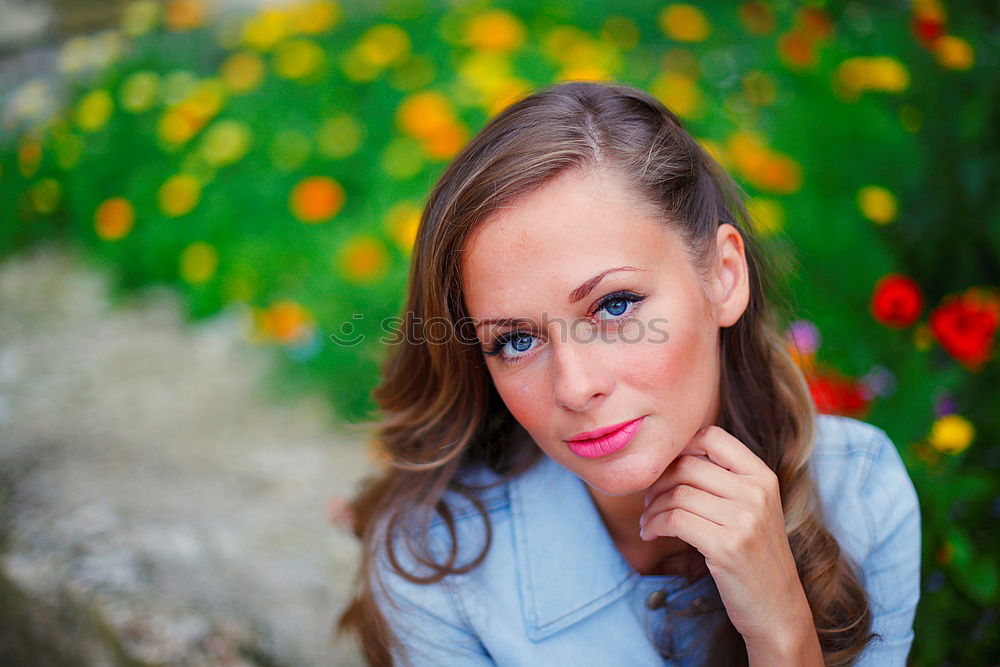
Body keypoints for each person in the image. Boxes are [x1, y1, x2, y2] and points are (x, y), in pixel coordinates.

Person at [335, 81, 921, 666]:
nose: (575, 385)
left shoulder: (861, 495)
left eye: (614, 306)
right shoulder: (436, 564)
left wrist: (782, 631)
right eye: (515, 340)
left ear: (724, 276)